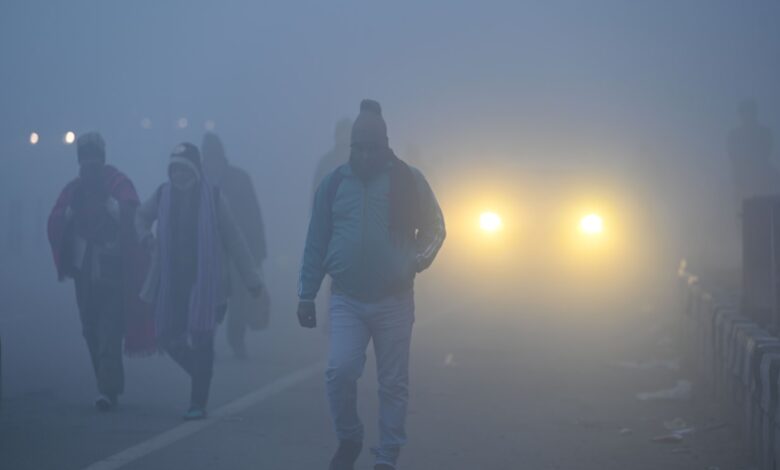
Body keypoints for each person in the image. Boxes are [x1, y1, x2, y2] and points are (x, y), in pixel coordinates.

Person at [298, 100, 446, 470]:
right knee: (339, 371)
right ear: (351, 147)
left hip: (394, 300)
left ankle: (387, 454)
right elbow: (316, 241)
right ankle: (349, 437)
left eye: (372, 148)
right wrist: (306, 294)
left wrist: (415, 261)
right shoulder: (334, 184)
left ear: (385, 146)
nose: (365, 155)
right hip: (346, 299)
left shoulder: (408, 181)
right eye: (359, 148)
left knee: (393, 383)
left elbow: (435, 228)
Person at [135, 143, 263, 420]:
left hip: (209, 287)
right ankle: (200, 371)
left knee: (203, 341)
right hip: (172, 285)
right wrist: (146, 238)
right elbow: (140, 216)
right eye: (175, 170)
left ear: (195, 170)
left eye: (184, 169)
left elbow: (235, 240)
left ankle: (197, 403)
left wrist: (252, 280)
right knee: (166, 336)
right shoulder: (162, 195)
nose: (179, 175)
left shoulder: (213, 198)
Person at [47, 132, 155, 412]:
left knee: (109, 330)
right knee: (90, 329)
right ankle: (105, 383)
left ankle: (108, 389)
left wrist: (110, 204)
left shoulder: (117, 184)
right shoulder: (74, 190)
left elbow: (132, 216)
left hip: (112, 270)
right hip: (84, 272)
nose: (90, 163)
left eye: (94, 156)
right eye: (85, 157)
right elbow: (56, 221)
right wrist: (70, 212)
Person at [201, 132, 269, 359]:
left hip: (239, 248)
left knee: (239, 299)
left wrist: (258, 250)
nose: (211, 161)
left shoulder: (239, 178)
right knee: (210, 298)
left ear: (221, 156)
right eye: (207, 156)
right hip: (210, 250)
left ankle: (236, 339)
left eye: (214, 156)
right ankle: (206, 342)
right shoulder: (198, 182)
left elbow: (254, 215)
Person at [728, 99, 778, 205]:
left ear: (754, 113)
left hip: (763, 175)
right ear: (741, 115)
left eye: (750, 112)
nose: (748, 116)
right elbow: (733, 157)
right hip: (742, 178)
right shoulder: (734, 136)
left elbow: (767, 152)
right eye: (745, 113)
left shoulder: (765, 132)